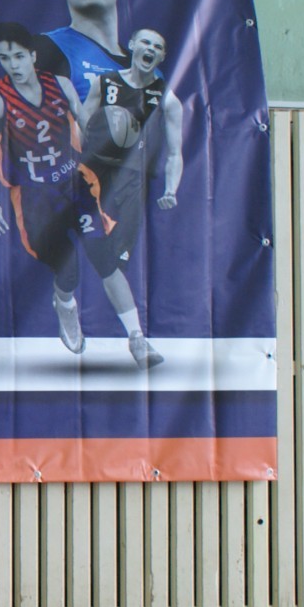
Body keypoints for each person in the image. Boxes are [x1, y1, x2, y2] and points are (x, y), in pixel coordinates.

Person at [0, 22, 96, 353]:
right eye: (5, 58)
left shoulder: (60, 85)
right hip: (36, 196)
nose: (13, 65)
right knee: (66, 267)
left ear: (33, 56)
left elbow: (87, 126)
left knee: (105, 244)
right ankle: (65, 304)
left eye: (19, 56)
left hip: (72, 183)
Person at [77, 27, 186, 369]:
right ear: (133, 46)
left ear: (162, 57)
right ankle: (69, 304)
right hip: (92, 178)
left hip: (130, 185)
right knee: (92, 257)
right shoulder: (105, 84)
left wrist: (171, 189)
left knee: (114, 263)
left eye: (158, 46)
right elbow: (80, 126)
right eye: (145, 42)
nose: (150, 48)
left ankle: (135, 338)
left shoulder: (166, 98)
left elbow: (175, 153)